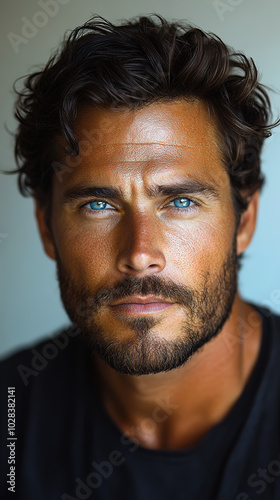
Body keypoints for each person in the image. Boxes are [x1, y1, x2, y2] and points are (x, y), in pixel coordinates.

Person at [0, 14, 279, 500]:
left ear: (245, 220)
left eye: (181, 202)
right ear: (47, 227)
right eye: (99, 205)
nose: (140, 254)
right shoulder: (9, 410)